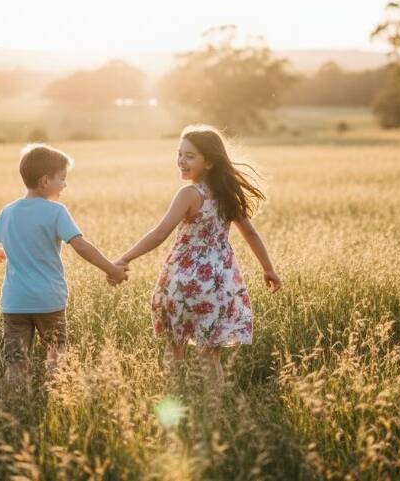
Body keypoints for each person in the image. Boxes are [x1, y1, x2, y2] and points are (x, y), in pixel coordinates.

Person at [114, 125, 281, 387]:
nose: (181, 161)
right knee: (210, 354)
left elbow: (160, 234)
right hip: (220, 283)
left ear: (210, 162)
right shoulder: (227, 194)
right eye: (180, 154)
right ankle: (213, 409)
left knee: (175, 345)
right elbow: (251, 233)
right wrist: (268, 269)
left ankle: (176, 395)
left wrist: (124, 258)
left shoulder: (190, 194)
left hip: (184, 281)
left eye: (190, 156)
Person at [0, 144, 128, 384]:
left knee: (16, 361)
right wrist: (112, 269)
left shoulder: (7, 212)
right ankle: (55, 393)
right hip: (49, 300)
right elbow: (80, 245)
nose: (65, 185)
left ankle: (16, 402)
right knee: (56, 354)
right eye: (62, 179)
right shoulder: (56, 211)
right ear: (45, 181)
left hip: (14, 303)